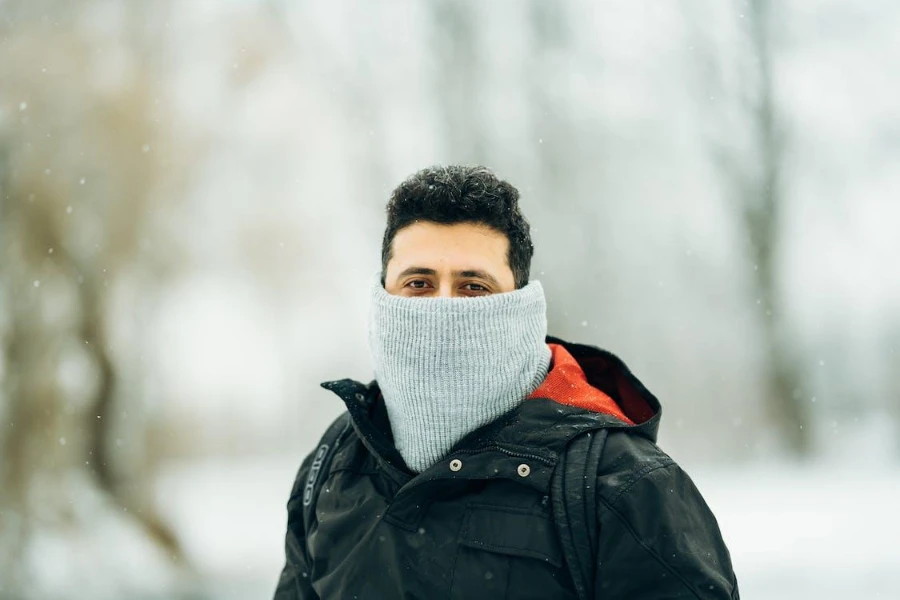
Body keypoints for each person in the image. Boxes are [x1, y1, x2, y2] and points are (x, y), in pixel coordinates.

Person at [274, 165, 739, 599]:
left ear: (521, 306)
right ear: (383, 297)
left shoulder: (622, 486)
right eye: (418, 283)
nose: (443, 308)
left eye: (473, 286)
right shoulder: (335, 464)